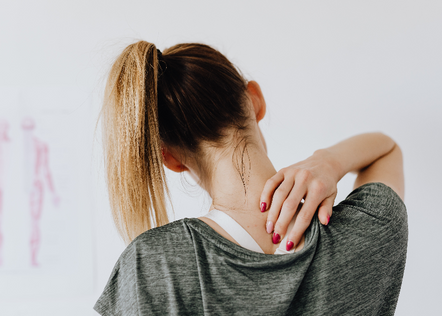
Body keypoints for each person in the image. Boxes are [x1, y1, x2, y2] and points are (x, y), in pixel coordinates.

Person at [94, 41, 407, 315]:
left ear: (171, 158)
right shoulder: (369, 228)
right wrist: (329, 161)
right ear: (255, 99)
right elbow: (387, 148)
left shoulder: (154, 264)